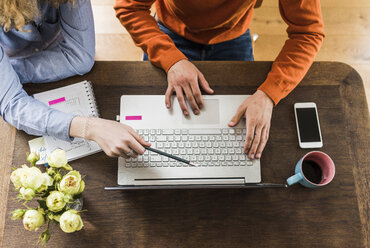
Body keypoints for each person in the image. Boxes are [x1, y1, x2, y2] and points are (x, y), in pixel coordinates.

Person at [114, 0, 325, 159]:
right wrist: (171, 60)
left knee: (241, 138)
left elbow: (308, 32)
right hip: (170, 32)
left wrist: (269, 94)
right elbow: (129, 7)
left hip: (233, 35)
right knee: (153, 126)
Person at [0, 0, 149, 159]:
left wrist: (11, 74)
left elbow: (81, 57)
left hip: (56, 49)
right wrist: (89, 127)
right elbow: (12, 104)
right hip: (17, 56)